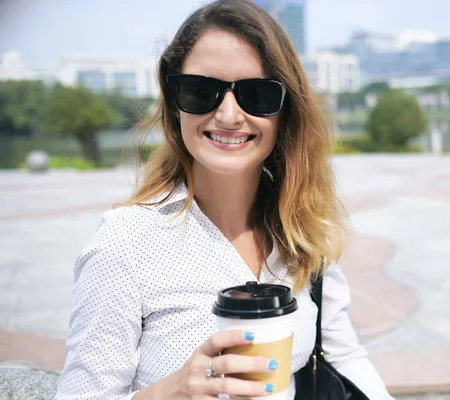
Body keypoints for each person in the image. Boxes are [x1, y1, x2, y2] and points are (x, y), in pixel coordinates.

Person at [54, 0, 393, 399]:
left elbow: (345, 354)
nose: (229, 115)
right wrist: (169, 393)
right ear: (174, 99)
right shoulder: (125, 243)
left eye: (257, 94)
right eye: (202, 91)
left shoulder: (302, 230)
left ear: (286, 111)